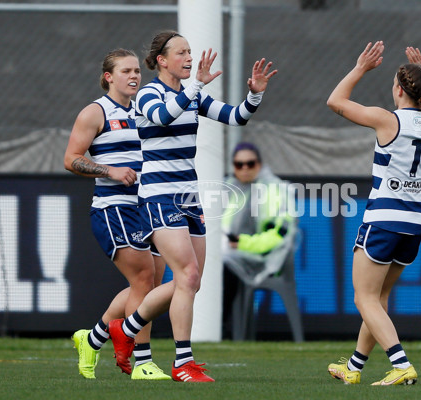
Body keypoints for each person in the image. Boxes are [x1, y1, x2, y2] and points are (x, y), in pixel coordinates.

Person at [108, 30, 277, 382]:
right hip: (159, 196)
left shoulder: (191, 94)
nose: (189, 57)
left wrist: (254, 95)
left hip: (189, 197)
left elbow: (237, 117)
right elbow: (164, 117)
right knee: (187, 275)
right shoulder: (149, 93)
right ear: (161, 60)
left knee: (191, 280)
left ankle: (127, 328)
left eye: (190, 51)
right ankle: (182, 363)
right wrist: (195, 87)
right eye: (181, 52)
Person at [325, 43, 421, 385]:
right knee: (378, 298)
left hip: (383, 218)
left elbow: (335, 101)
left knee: (363, 297)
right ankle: (353, 368)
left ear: (398, 89)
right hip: (414, 224)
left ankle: (400, 364)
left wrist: (360, 68)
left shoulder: (387, 119)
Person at [64, 49, 171, 380]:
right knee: (142, 279)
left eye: (137, 70)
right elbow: (71, 158)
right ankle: (143, 363)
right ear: (109, 77)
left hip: (147, 207)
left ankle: (92, 338)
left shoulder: (146, 110)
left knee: (152, 283)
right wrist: (110, 170)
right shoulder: (95, 112)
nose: (135, 76)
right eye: (126, 71)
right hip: (114, 208)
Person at [221, 142, 295, 336]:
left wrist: (243, 243)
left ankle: (222, 324)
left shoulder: (275, 189)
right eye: (239, 165)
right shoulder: (227, 189)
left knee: (224, 266)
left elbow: (279, 235)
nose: (244, 168)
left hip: (267, 259)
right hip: (230, 252)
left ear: (259, 164)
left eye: (250, 163)